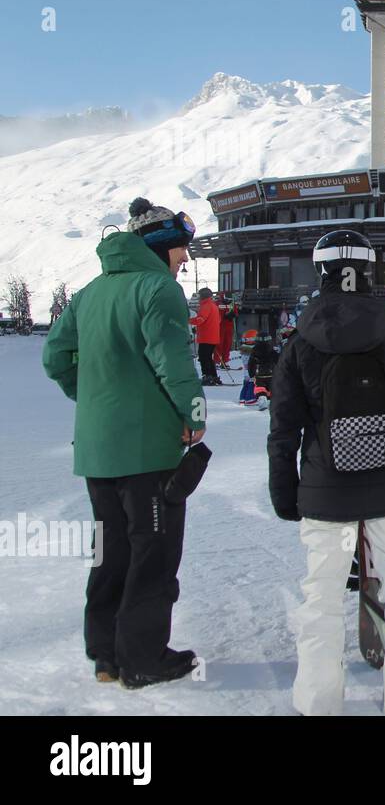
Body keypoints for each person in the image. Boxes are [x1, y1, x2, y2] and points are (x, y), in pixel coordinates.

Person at [268, 230, 385, 716]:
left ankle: (318, 702)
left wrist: (287, 489)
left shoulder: (300, 344)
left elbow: (283, 427)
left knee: (319, 597)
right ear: (369, 271)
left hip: (326, 493)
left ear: (320, 271)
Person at [42, 197, 204, 688]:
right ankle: (143, 658)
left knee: (110, 550)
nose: (186, 259)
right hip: (148, 450)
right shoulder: (158, 288)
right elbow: (173, 362)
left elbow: (55, 356)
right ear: (159, 246)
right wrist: (193, 416)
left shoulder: (90, 291)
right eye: (181, 248)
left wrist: (91, 399)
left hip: (97, 449)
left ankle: (107, 655)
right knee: (151, 554)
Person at [190, 287, 222, 385]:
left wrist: (189, 320)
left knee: (204, 357)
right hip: (213, 336)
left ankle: (207, 377)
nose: (198, 297)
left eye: (200, 295)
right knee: (208, 357)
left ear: (203, 296)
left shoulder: (206, 306)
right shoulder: (213, 306)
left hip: (206, 337)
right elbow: (218, 320)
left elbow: (200, 319)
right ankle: (214, 376)